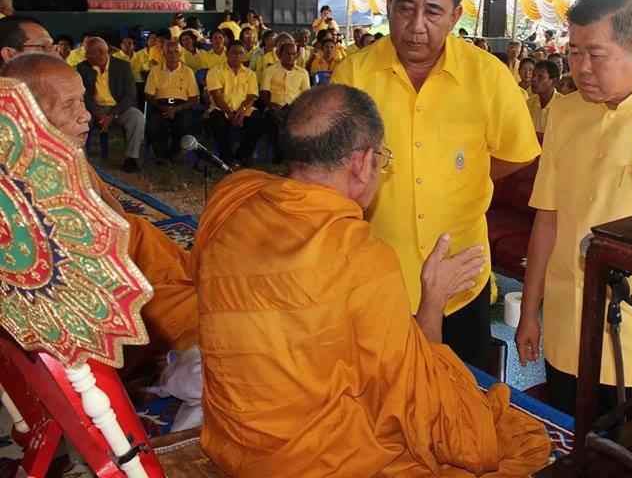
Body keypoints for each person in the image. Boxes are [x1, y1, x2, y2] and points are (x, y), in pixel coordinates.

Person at [191, 85, 550, 476]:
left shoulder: (233, 202)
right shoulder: (361, 259)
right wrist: (434, 299)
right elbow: (419, 399)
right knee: (515, 440)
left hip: (233, 443)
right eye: (382, 159)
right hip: (310, 464)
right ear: (363, 163)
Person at [332, 0, 540, 369]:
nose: (416, 26)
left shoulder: (488, 76)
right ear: (388, 3)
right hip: (379, 272)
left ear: (455, 15)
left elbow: (517, 153)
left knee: (462, 389)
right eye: (405, 8)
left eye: (432, 12)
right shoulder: (354, 75)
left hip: (460, 278)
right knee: (381, 387)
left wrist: (467, 176)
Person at [515, 0, 632, 415]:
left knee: (625, 441)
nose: (581, 68)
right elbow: (547, 219)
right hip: (565, 320)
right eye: (574, 53)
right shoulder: (565, 112)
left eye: (596, 54)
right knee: (564, 427)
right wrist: (529, 311)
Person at [0, 54, 198, 361]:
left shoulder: (59, 156)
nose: (85, 116)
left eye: (82, 100)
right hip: (91, 307)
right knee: (205, 308)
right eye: (69, 105)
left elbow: (115, 215)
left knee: (144, 234)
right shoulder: (18, 188)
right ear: (29, 116)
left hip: (123, 262)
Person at [76, 37, 144, 173]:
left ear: (101, 53)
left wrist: (112, 115)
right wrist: (98, 114)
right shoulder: (83, 68)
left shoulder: (122, 66)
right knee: (78, 123)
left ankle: (131, 158)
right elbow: (85, 96)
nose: (85, 56)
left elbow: (130, 95)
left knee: (137, 117)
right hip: (93, 109)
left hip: (117, 109)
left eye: (89, 53)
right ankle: (81, 163)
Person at [207, 40, 263, 167]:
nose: (237, 56)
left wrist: (241, 111)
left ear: (244, 55)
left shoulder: (250, 74)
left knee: (258, 121)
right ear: (227, 54)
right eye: (233, 52)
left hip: (244, 109)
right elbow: (217, 96)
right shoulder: (215, 71)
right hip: (221, 108)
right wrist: (230, 114)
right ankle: (227, 158)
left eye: (240, 53)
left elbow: (251, 96)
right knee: (218, 123)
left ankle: (242, 155)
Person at [144, 40, 199, 164]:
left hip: (181, 106)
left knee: (184, 124)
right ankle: (160, 154)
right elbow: (149, 95)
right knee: (153, 124)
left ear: (180, 54)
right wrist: (163, 108)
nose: (173, 54)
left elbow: (194, 97)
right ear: (163, 53)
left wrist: (177, 109)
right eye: (169, 51)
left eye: (176, 51)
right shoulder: (155, 70)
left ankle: (174, 152)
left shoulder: (188, 71)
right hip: (159, 105)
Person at [261, 41, 310, 162]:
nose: (291, 56)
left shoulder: (303, 73)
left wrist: (298, 109)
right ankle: (279, 156)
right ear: (280, 54)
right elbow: (264, 93)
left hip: (295, 108)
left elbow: (306, 96)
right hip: (274, 107)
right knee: (273, 119)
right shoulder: (270, 70)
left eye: (293, 53)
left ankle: (296, 156)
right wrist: (271, 105)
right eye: (287, 53)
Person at [526, 60, 561, 134]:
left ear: (554, 81)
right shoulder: (529, 103)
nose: (534, 80)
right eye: (533, 75)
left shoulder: (562, 104)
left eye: (540, 77)